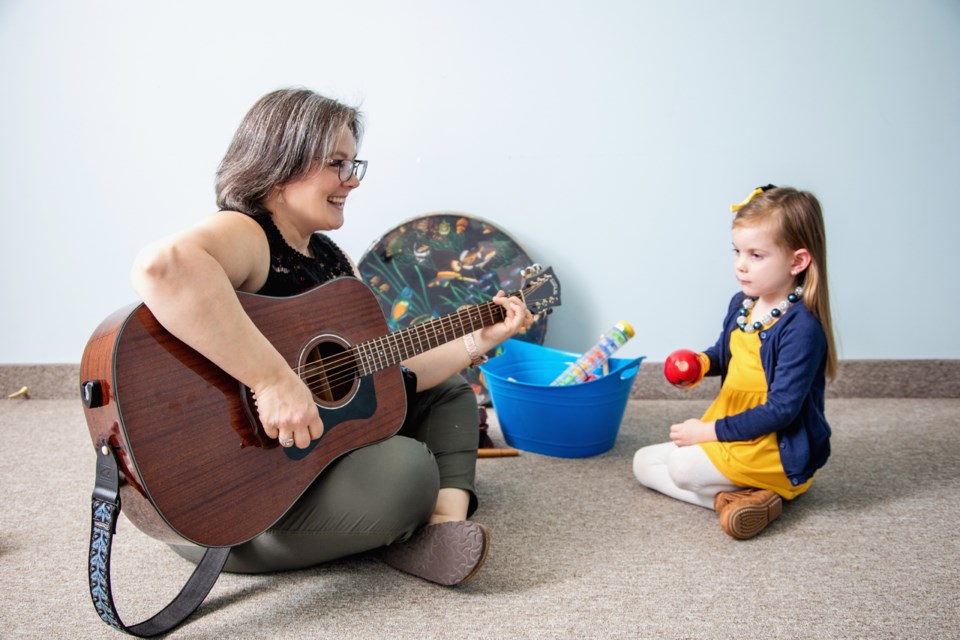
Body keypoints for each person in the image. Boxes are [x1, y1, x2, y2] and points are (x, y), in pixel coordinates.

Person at [130, 87, 533, 584]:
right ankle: (400, 521)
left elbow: (388, 372)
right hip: (237, 513)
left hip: (306, 468)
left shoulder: (333, 261)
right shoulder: (248, 233)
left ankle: (441, 530)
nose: (352, 182)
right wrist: (273, 381)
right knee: (409, 469)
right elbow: (163, 267)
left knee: (451, 394)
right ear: (282, 165)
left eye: (353, 165)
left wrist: (480, 338)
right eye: (337, 164)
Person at [633, 185, 836, 540]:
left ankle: (774, 487)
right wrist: (699, 363)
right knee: (643, 464)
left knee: (680, 467)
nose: (741, 264)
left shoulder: (802, 327)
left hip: (771, 441)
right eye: (737, 251)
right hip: (732, 424)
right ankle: (739, 500)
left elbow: (781, 411)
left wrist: (706, 432)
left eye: (757, 255)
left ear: (797, 261)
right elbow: (724, 354)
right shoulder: (742, 303)